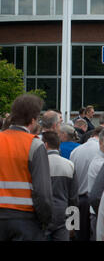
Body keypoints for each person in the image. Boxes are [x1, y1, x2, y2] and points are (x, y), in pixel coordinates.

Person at [0, 94, 53, 241]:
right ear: (33, 119)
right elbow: (43, 192)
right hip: (24, 219)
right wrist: (45, 221)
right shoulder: (34, 145)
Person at [42, 131, 78, 241]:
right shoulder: (69, 165)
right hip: (63, 214)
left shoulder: (38, 164)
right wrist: (73, 224)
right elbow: (73, 198)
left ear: (45, 145)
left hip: (42, 214)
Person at [69, 126, 103, 241]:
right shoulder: (101, 150)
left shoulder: (76, 151)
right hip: (94, 201)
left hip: (77, 200)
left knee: (78, 236)